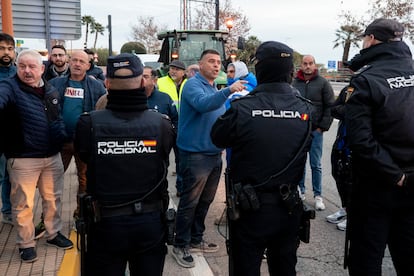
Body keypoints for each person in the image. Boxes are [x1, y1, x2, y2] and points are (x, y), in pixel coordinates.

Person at [211, 41, 312, 276]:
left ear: (260, 70)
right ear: (289, 72)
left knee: (245, 267)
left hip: (250, 208)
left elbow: (217, 138)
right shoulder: (305, 109)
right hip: (289, 205)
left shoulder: (242, 108)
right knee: (285, 266)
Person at [74, 53, 175, 275]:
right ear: (142, 82)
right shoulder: (162, 124)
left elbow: (85, 157)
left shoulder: (88, 123)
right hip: (150, 224)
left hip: (105, 224)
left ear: (107, 84)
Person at [345, 18, 414, 275]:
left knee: (366, 260)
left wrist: (396, 176)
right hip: (407, 183)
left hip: (377, 188)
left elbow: (361, 141)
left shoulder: (366, 79)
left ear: (371, 39)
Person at [171, 49, 246, 268]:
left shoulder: (213, 87)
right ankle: (180, 244)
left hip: (213, 154)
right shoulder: (193, 85)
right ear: (200, 65)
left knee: (205, 201)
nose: (216, 65)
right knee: (190, 201)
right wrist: (227, 92)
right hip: (195, 155)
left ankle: (195, 239)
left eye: (218, 62)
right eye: (211, 61)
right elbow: (204, 104)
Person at [0, 50, 73, 263]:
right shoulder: (9, 87)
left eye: (32, 66)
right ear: (16, 67)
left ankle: (52, 233)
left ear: (42, 69)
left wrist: (61, 137)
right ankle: (26, 243)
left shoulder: (49, 90)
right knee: (23, 203)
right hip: (23, 158)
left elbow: (56, 118)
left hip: (52, 156)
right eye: (22, 66)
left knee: (53, 198)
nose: (27, 71)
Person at [34, 50, 106, 237]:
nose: (77, 64)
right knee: (52, 181)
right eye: (74, 60)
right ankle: (47, 219)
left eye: (82, 61)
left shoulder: (96, 86)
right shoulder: (56, 83)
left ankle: (80, 216)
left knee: (85, 180)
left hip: (84, 142)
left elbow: (101, 111)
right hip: (60, 141)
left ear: (88, 65)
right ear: (68, 61)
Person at [292, 55, 335, 210]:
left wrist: (322, 127)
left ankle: (318, 196)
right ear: (301, 65)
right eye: (305, 63)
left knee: (315, 164)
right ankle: (300, 191)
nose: (308, 66)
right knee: (299, 162)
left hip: (316, 131)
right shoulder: (294, 83)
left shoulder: (323, 83)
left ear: (314, 65)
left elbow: (330, 106)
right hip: (299, 131)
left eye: (310, 63)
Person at [157, 60, 187, 195]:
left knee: (181, 160)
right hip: (165, 127)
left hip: (184, 127)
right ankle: (160, 188)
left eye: (177, 69)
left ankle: (181, 188)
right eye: (172, 68)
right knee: (162, 159)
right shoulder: (160, 82)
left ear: (184, 72)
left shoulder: (190, 84)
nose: (173, 71)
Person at [326, 85, 353, 231]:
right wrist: (345, 110)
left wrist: (345, 110)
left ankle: (353, 215)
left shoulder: (368, 87)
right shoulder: (348, 89)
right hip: (341, 141)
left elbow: (356, 111)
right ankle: (344, 208)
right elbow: (334, 109)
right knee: (338, 174)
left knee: (351, 180)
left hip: (355, 143)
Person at [0, 33, 16, 226]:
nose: (6, 52)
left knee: (10, 177)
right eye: (2, 48)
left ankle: (8, 211)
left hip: (14, 136)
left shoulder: (19, 72)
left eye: (9, 49)